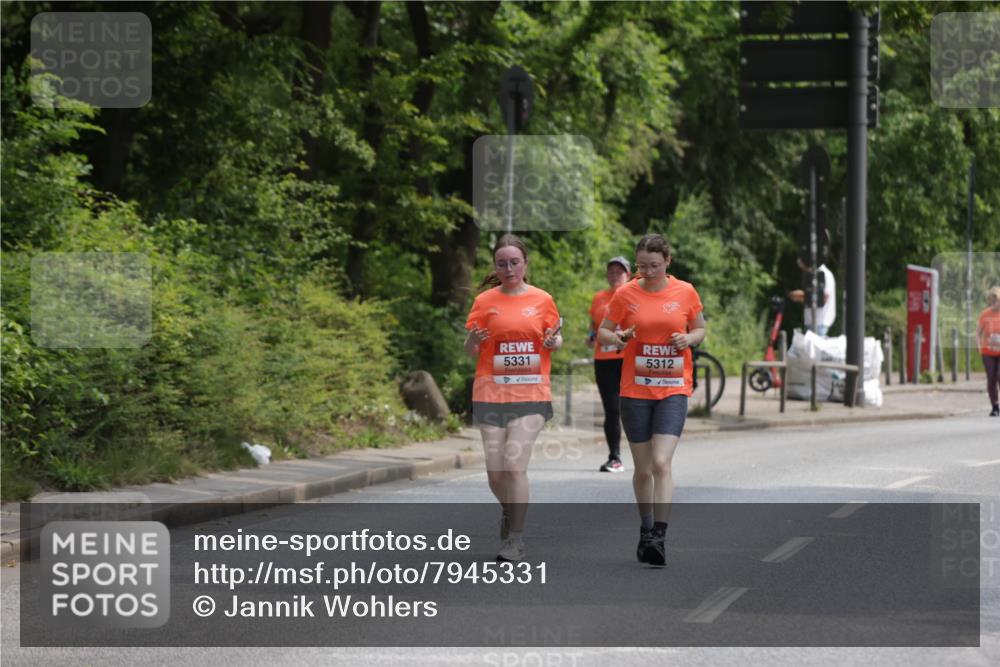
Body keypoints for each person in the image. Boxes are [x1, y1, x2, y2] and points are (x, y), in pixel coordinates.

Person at [597, 234, 705, 567]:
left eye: (654, 265)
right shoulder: (626, 293)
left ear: (667, 262)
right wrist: (618, 337)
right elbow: (603, 331)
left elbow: (700, 329)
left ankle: (659, 535)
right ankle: (645, 529)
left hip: (673, 389)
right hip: (635, 391)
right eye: (642, 266)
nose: (647, 272)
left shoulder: (685, 291)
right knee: (643, 469)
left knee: (661, 463)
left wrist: (688, 338)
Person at [465, 234, 562, 562]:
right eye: (502, 263)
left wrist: (553, 343)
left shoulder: (542, 299)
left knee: (513, 465)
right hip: (490, 393)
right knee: (495, 474)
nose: (509, 269)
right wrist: (473, 340)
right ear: (495, 266)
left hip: (531, 392)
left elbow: (556, 338)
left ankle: (515, 540)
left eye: (515, 262)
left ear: (525, 263)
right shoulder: (484, 302)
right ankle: (511, 511)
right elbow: (470, 350)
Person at [588, 256, 631, 473]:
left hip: (628, 360)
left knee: (632, 409)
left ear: (628, 275)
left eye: (619, 272)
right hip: (604, 361)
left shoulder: (633, 296)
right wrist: (590, 336)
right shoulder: (599, 298)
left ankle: (648, 454)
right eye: (611, 271)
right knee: (612, 410)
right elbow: (594, 326)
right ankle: (615, 457)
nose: (614, 275)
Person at [789, 260, 836, 336]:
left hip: (819, 323)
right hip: (814, 323)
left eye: (804, 268)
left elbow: (823, 298)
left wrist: (799, 296)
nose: (804, 270)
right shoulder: (816, 274)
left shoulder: (824, 274)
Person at [977, 286, 1000, 417]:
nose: (994, 304)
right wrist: (979, 346)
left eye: (996, 300)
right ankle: (995, 406)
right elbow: (978, 332)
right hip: (988, 351)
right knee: (991, 378)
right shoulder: (985, 314)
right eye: (991, 301)